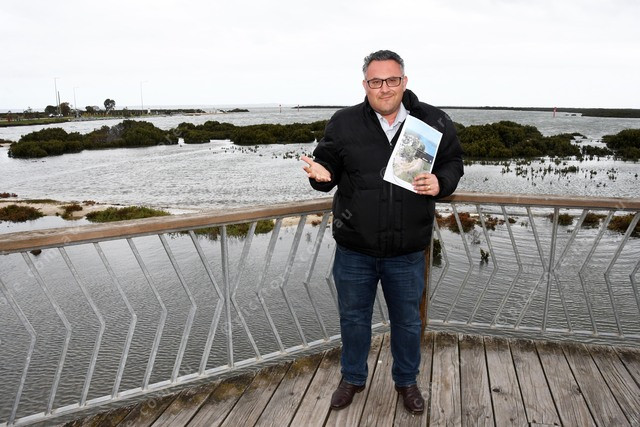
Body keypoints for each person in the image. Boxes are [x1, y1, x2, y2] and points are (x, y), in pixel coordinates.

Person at [302, 50, 464, 414]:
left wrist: (442, 182)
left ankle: (406, 381)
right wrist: (320, 176)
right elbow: (326, 165)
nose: (384, 88)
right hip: (354, 249)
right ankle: (352, 378)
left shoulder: (432, 120)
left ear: (404, 82)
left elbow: (454, 162)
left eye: (392, 80)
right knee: (353, 320)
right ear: (365, 85)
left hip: (407, 250)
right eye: (376, 81)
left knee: (407, 323)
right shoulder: (344, 122)